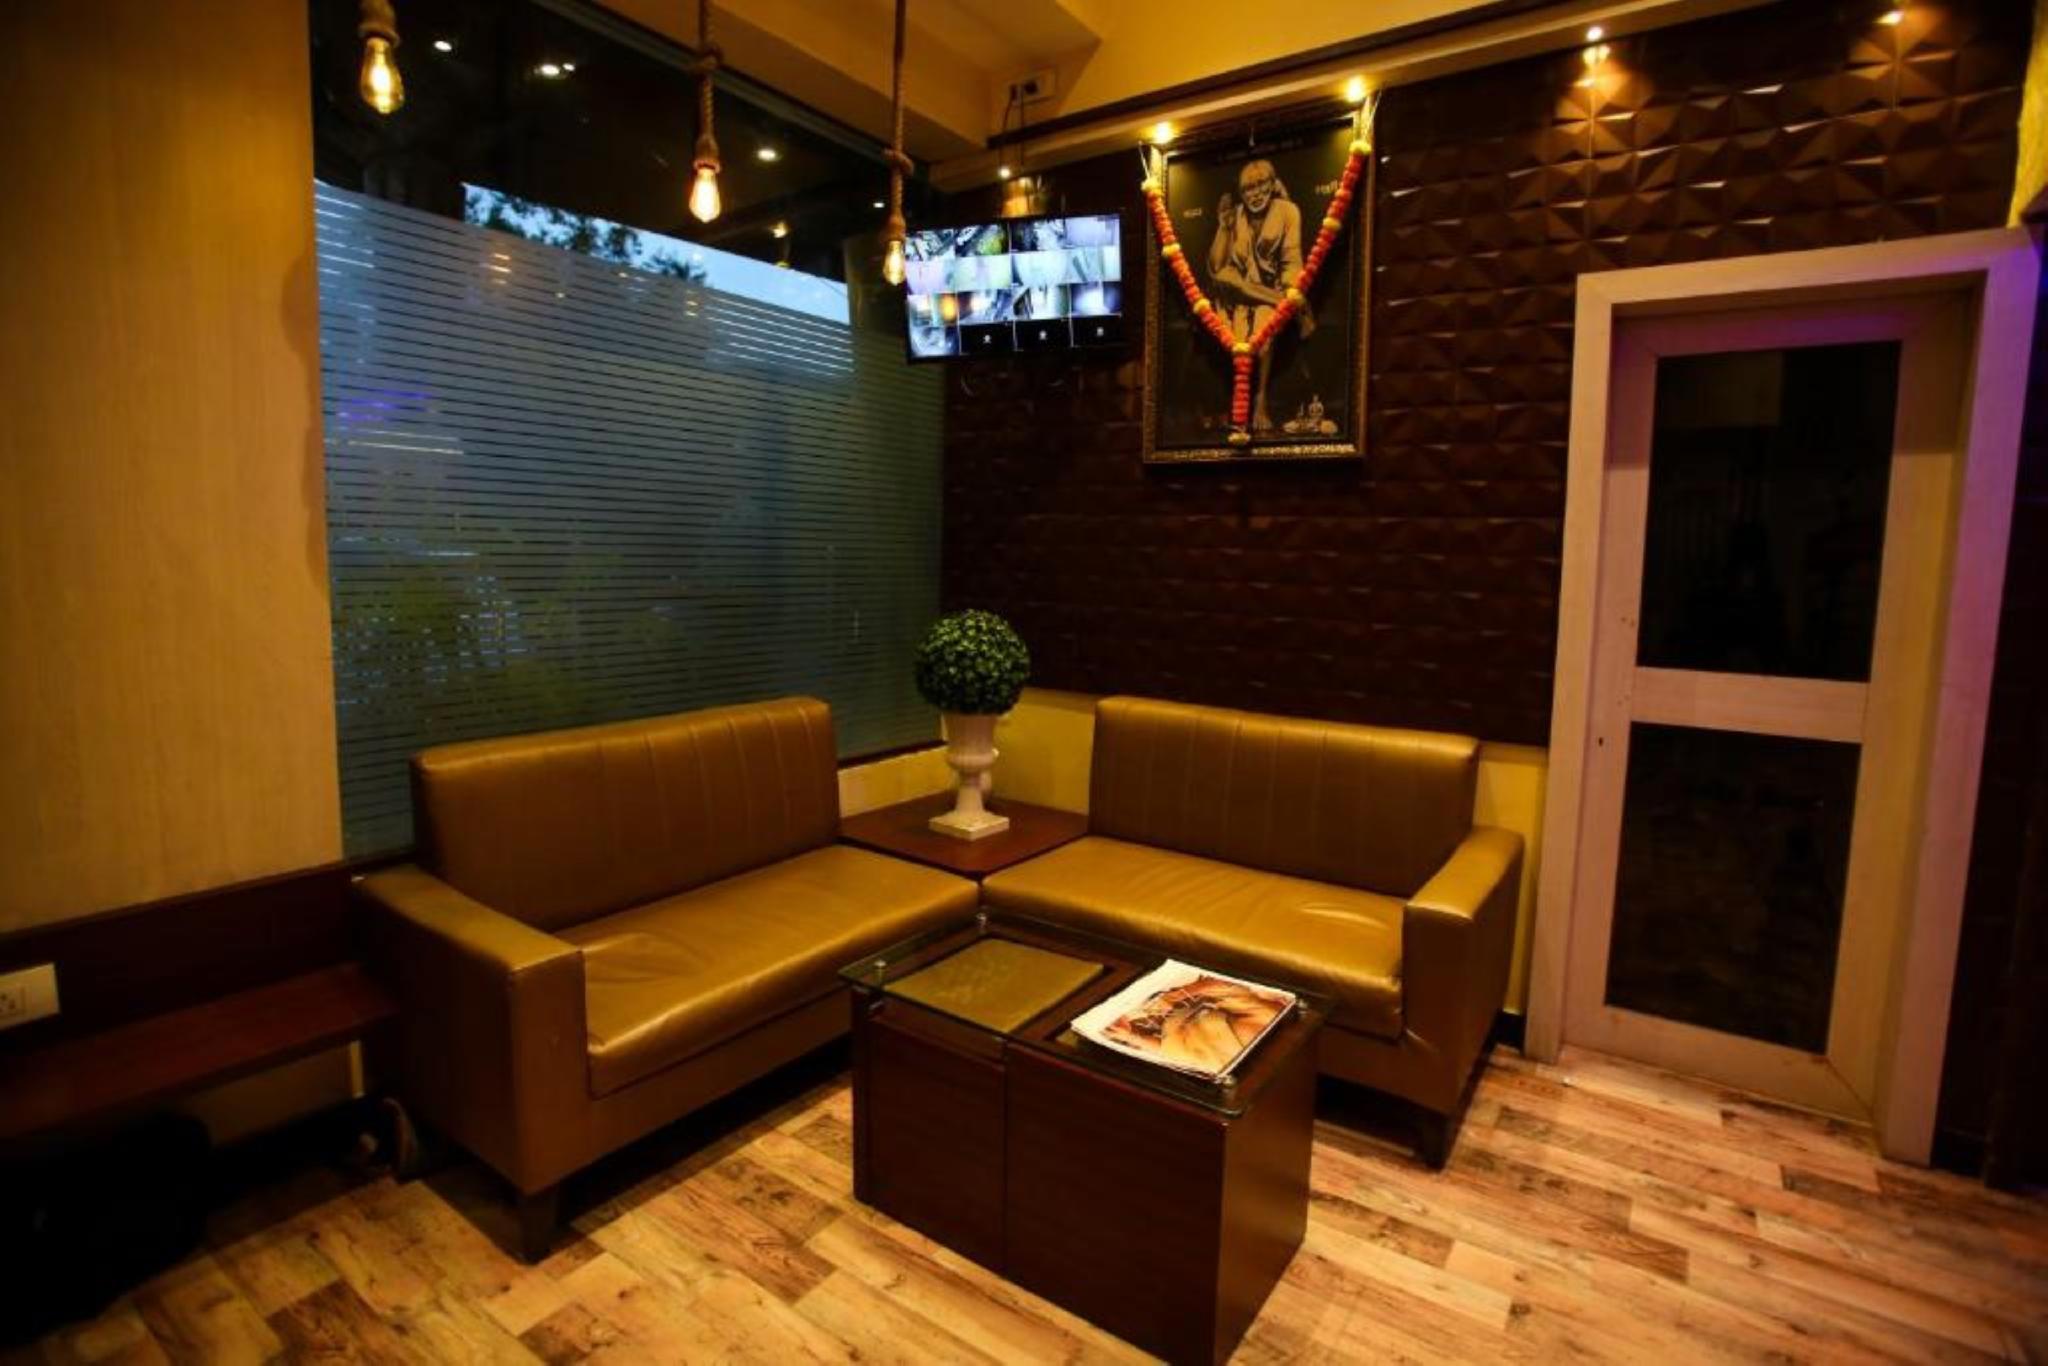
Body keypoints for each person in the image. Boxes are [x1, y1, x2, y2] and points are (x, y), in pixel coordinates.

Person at [1206, 158, 1313, 431]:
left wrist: (1287, 292)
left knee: (1264, 323)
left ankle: (1260, 398)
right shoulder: (1236, 215)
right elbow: (1217, 268)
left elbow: (1292, 262)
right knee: (1229, 280)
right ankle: (1292, 307)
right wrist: (1223, 227)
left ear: (1273, 184)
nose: (1254, 194)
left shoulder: (1288, 211)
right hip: (1236, 294)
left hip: (1269, 294)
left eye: (1260, 185)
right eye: (1247, 189)